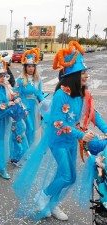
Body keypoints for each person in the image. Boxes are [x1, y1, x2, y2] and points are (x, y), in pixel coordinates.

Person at [12, 41, 106, 222]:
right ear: (74, 75)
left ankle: (50, 202)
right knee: (65, 175)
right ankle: (43, 196)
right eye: (83, 72)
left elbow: (94, 115)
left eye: (86, 72)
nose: (87, 75)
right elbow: (57, 121)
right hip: (58, 140)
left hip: (71, 139)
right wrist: (81, 134)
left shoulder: (83, 93)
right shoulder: (61, 94)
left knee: (69, 178)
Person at [14, 48, 44, 146]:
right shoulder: (20, 80)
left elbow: (39, 94)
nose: (31, 68)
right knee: (26, 128)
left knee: (33, 129)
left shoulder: (38, 79)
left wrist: (46, 106)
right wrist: (23, 107)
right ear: (25, 67)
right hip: (24, 107)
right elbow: (16, 95)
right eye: (29, 66)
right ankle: (22, 150)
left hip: (34, 106)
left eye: (32, 66)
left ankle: (30, 149)